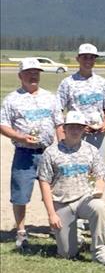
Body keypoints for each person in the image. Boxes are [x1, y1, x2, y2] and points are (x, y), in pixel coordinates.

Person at [0, 58, 63, 251]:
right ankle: (21, 232)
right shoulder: (12, 99)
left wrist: (62, 148)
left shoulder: (50, 97)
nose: (33, 75)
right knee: (20, 195)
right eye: (28, 72)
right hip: (24, 154)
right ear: (20, 76)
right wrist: (21, 137)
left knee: (55, 194)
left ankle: (57, 227)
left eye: (36, 72)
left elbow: (59, 123)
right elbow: (3, 125)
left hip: (48, 153)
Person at [38, 111, 105, 266]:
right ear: (64, 129)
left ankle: (99, 251)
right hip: (62, 203)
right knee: (67, 254)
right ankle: (74, 240)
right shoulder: (51, 152)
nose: (75, 130)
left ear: (84, 129)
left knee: (99, 206)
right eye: (71, 126)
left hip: (84, 200)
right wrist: (51, 214)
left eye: (79, 127)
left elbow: (100, 176)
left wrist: (99, 188)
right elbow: (44, 182)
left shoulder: (91, 150)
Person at [56, 43, 105, 158]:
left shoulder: (102, 82)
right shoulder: (68, 83)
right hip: (75, 134)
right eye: (85, 57)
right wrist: (61, 136)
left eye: (92, 57)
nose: (88, 60)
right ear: (77, 59)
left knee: (97, 169)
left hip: (97, 135)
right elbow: (58, 111)